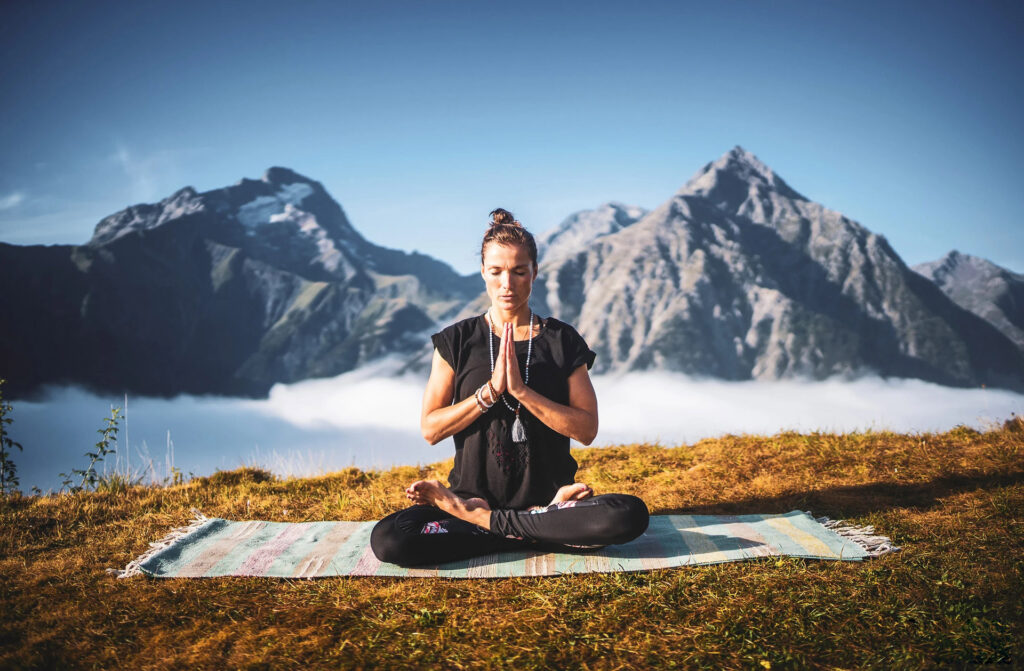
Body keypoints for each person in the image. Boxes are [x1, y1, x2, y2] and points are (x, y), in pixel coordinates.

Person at [370, 208, 649, 567]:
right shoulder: (456, 341)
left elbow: (587, 429)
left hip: (551, 504)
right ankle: (526, 529)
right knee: (391, 539)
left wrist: (521, 392)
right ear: (483, 272)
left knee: (628, 514)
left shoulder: (561, 340)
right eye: (497, 272)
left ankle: (490, 527)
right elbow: (430, 429)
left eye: (519, 272)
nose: (507, 284)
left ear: (535, 272)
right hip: (471, 501)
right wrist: (490, 392)